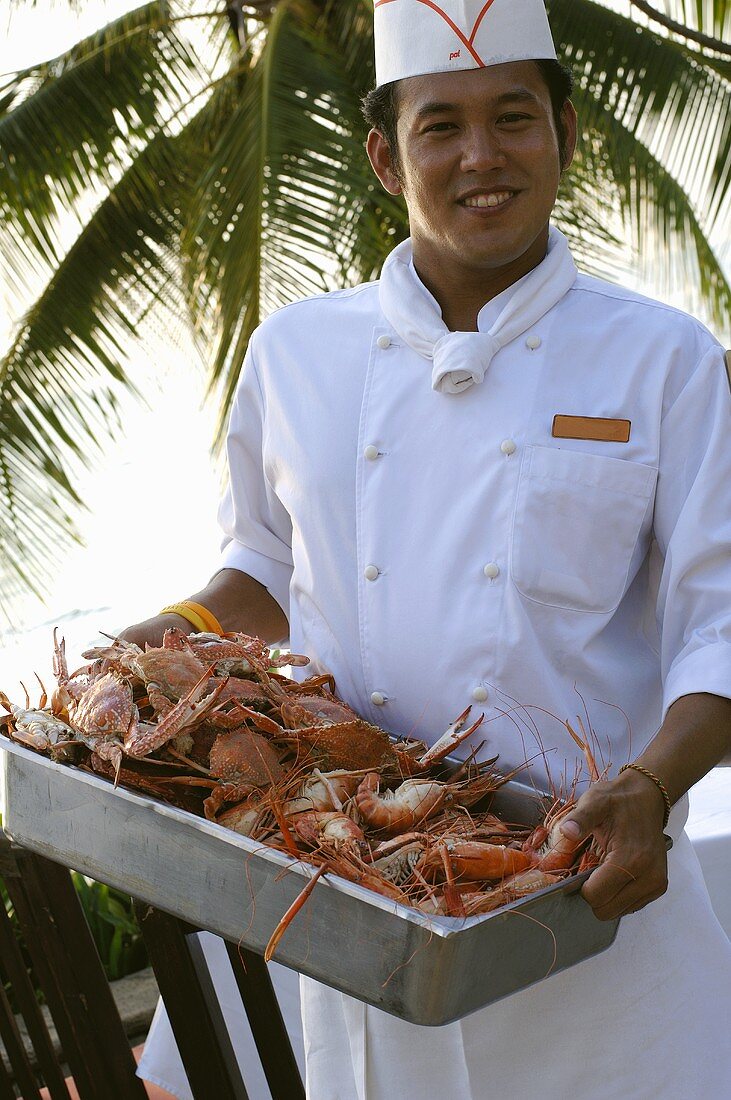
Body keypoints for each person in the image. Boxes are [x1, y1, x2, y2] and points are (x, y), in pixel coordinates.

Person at [132, 1, 731, 1096]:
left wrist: (647, 787)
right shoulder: (294, 354)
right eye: (438, 125)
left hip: (593, 912)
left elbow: (720, 626)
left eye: (512, 117)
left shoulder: (665, 361)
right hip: (352, 898)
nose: (479, 156)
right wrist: (159, 643)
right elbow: (260, 572)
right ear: (380, 154)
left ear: (564, 132)